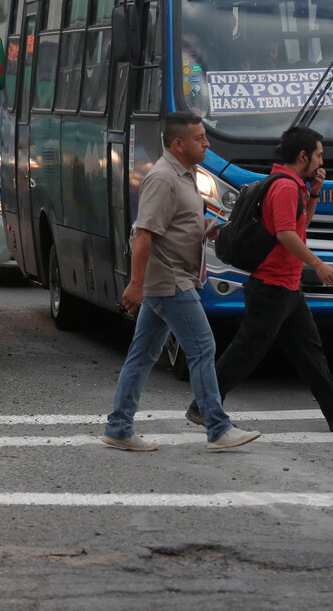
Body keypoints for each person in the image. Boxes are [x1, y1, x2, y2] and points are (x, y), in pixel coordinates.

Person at [187, 125, 333, 432]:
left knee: (309, 353)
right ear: (303, 156)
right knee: (246, 351)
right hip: (271, 287)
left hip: (286, 286)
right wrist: (318, 265)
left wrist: (314, 193)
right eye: (318, 155)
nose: (321, 162)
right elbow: (285, 234)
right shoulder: (285, 187)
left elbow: (300, 225)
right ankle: (203, 406)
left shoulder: (293, 185)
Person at [103, 111, 261, 452]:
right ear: (178, 144)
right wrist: (135, 284)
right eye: (199, 138)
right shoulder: (163, 178)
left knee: (142, 354)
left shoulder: (187, 173)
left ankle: (118, 426)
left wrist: (203, 227)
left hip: (174, 277)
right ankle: (217, 427)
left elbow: (177, 222)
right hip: (170, 279)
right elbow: (144, 233)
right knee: (203, 347)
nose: (207, 143)